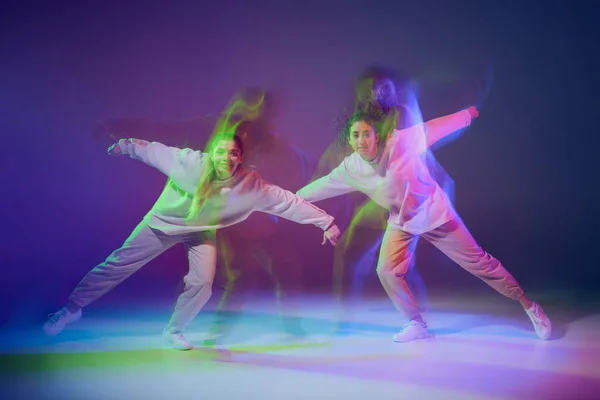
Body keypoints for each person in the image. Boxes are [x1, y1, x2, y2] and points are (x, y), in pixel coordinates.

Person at [43, 123, 341, 351]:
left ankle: (173, 330)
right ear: (212, 152)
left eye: (233, 153)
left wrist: (325, 222)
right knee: (118, 264)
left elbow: (287, 202)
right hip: (161, 224)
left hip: (200, 231)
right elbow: (151, 150)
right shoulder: (188, 163)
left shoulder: (250, 186)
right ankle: (71, 309)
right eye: (221, 151)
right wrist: (126, 145)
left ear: (240, 158)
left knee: (202, 282)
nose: (226, 157)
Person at [297, 104, 552, 343]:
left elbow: (433, 128)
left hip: (435, 213)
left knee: (480, 263)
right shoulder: (350, 168)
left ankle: (529, 306)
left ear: (376, 136)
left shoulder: (400, 142)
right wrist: (290, 199)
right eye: (356, 135)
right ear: (349, 139)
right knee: (386, 270)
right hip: (402, 222)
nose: (362, 140)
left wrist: (467, 114)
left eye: (366, 134)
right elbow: (323, 185)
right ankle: (415, 324)